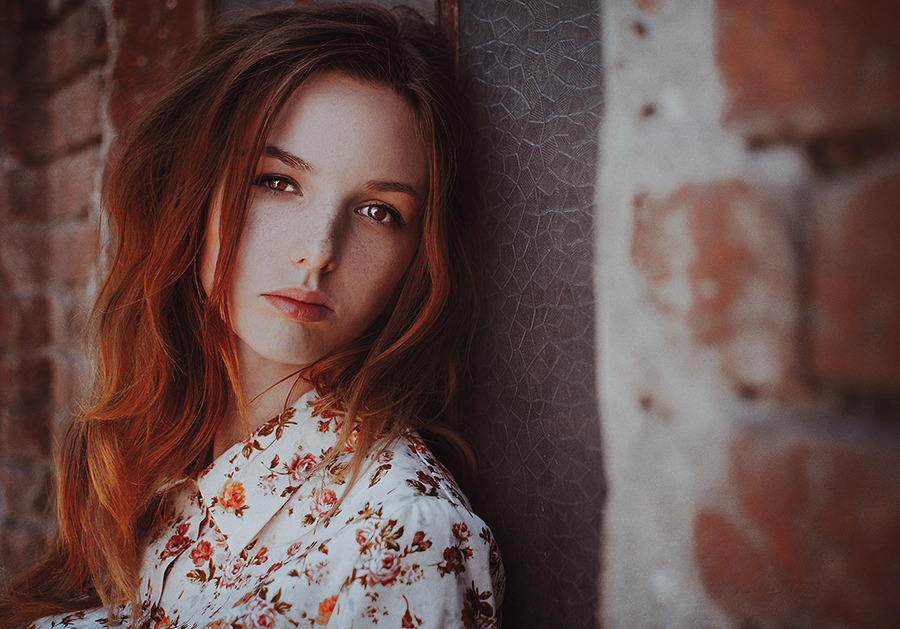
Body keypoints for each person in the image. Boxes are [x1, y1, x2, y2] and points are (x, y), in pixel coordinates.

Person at [0, 4, 503, 627]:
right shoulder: (159, 465)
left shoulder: (399, 535)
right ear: (191, 190)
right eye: (278, 182)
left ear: (418, 258)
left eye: (378, 212)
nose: (318, 253)